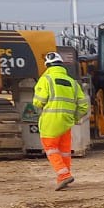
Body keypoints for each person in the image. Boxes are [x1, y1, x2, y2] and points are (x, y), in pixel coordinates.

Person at [31, 52, 90, 190]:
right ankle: (64, 175)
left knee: (50, 148)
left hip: (50, 121)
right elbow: (83, 106)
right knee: (64, 151)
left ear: (47, 65)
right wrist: (74, 118)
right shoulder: (72, 82)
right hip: (67, 122)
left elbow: (38, 102)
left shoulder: (46, 79)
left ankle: (63, 176)